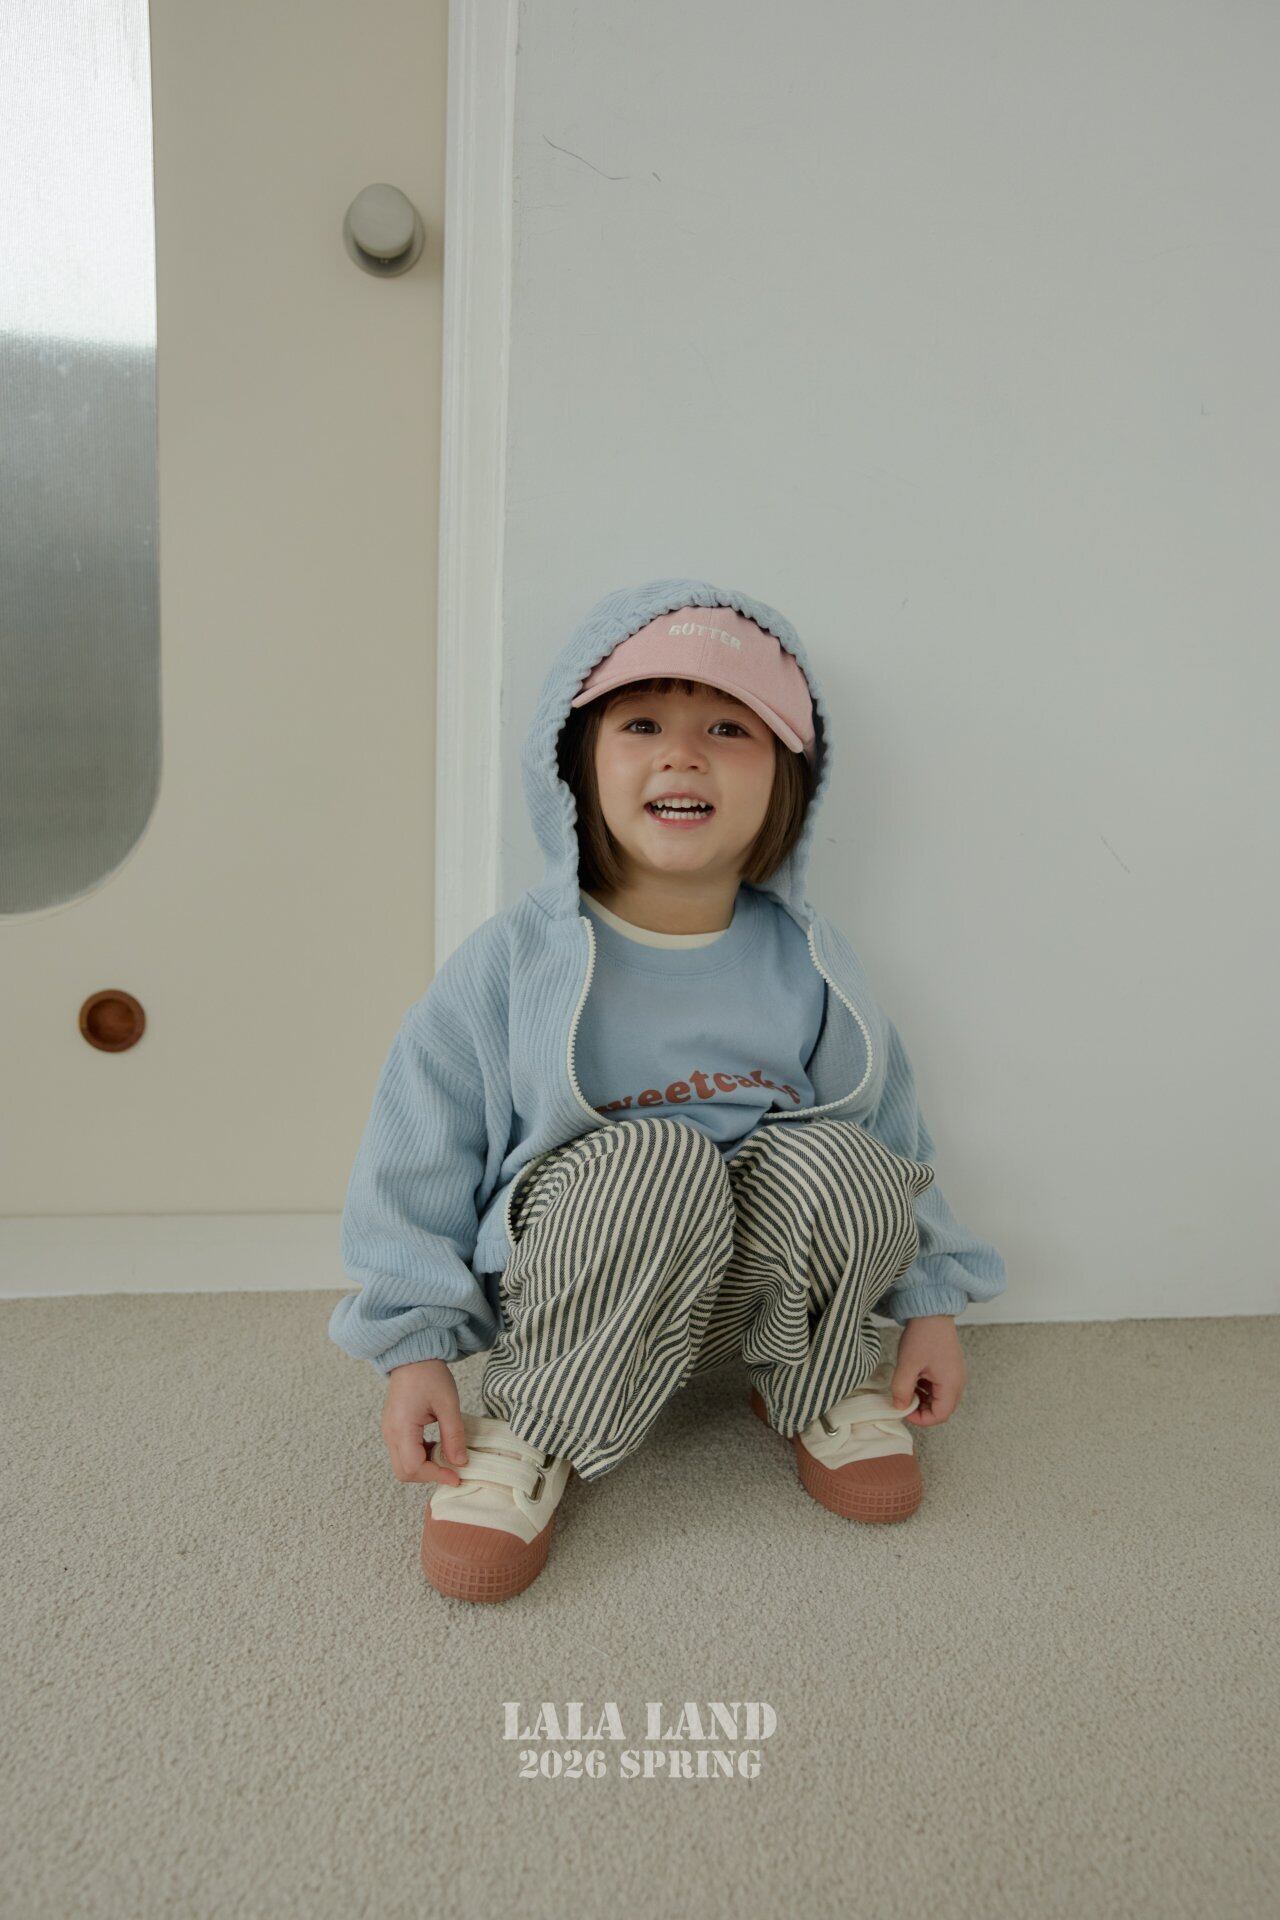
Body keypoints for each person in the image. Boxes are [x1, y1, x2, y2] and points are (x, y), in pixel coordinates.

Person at [328, 580, 1007, 1602]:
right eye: (641, 724)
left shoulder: (809, 960)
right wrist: (412, 1349)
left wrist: (930, 1307)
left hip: (748, 1288)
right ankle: (538, 1419)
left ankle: (812, 1378)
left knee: (845, 1157)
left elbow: (893, 1131)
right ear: (578, 765)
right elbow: (415, 1149)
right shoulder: (516, 960)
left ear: (785, 780)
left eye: (728, 728)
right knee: (657, 1156)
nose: (682, 755)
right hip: (583, 1279)